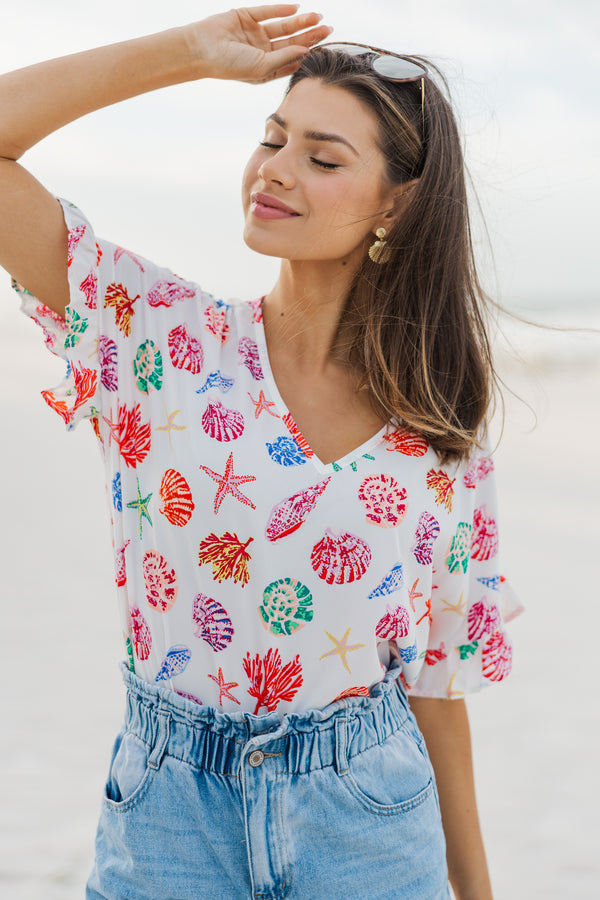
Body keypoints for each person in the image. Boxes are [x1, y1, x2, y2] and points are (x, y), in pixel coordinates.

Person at [0, 5, 522, 899]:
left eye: (322, 158)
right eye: (272, 138)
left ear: (397, 201)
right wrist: (187, 53)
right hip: (169, 819)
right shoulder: (157, 339)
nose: (274, 171)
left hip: (370, 825)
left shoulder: (438, 432)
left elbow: (436, 689)